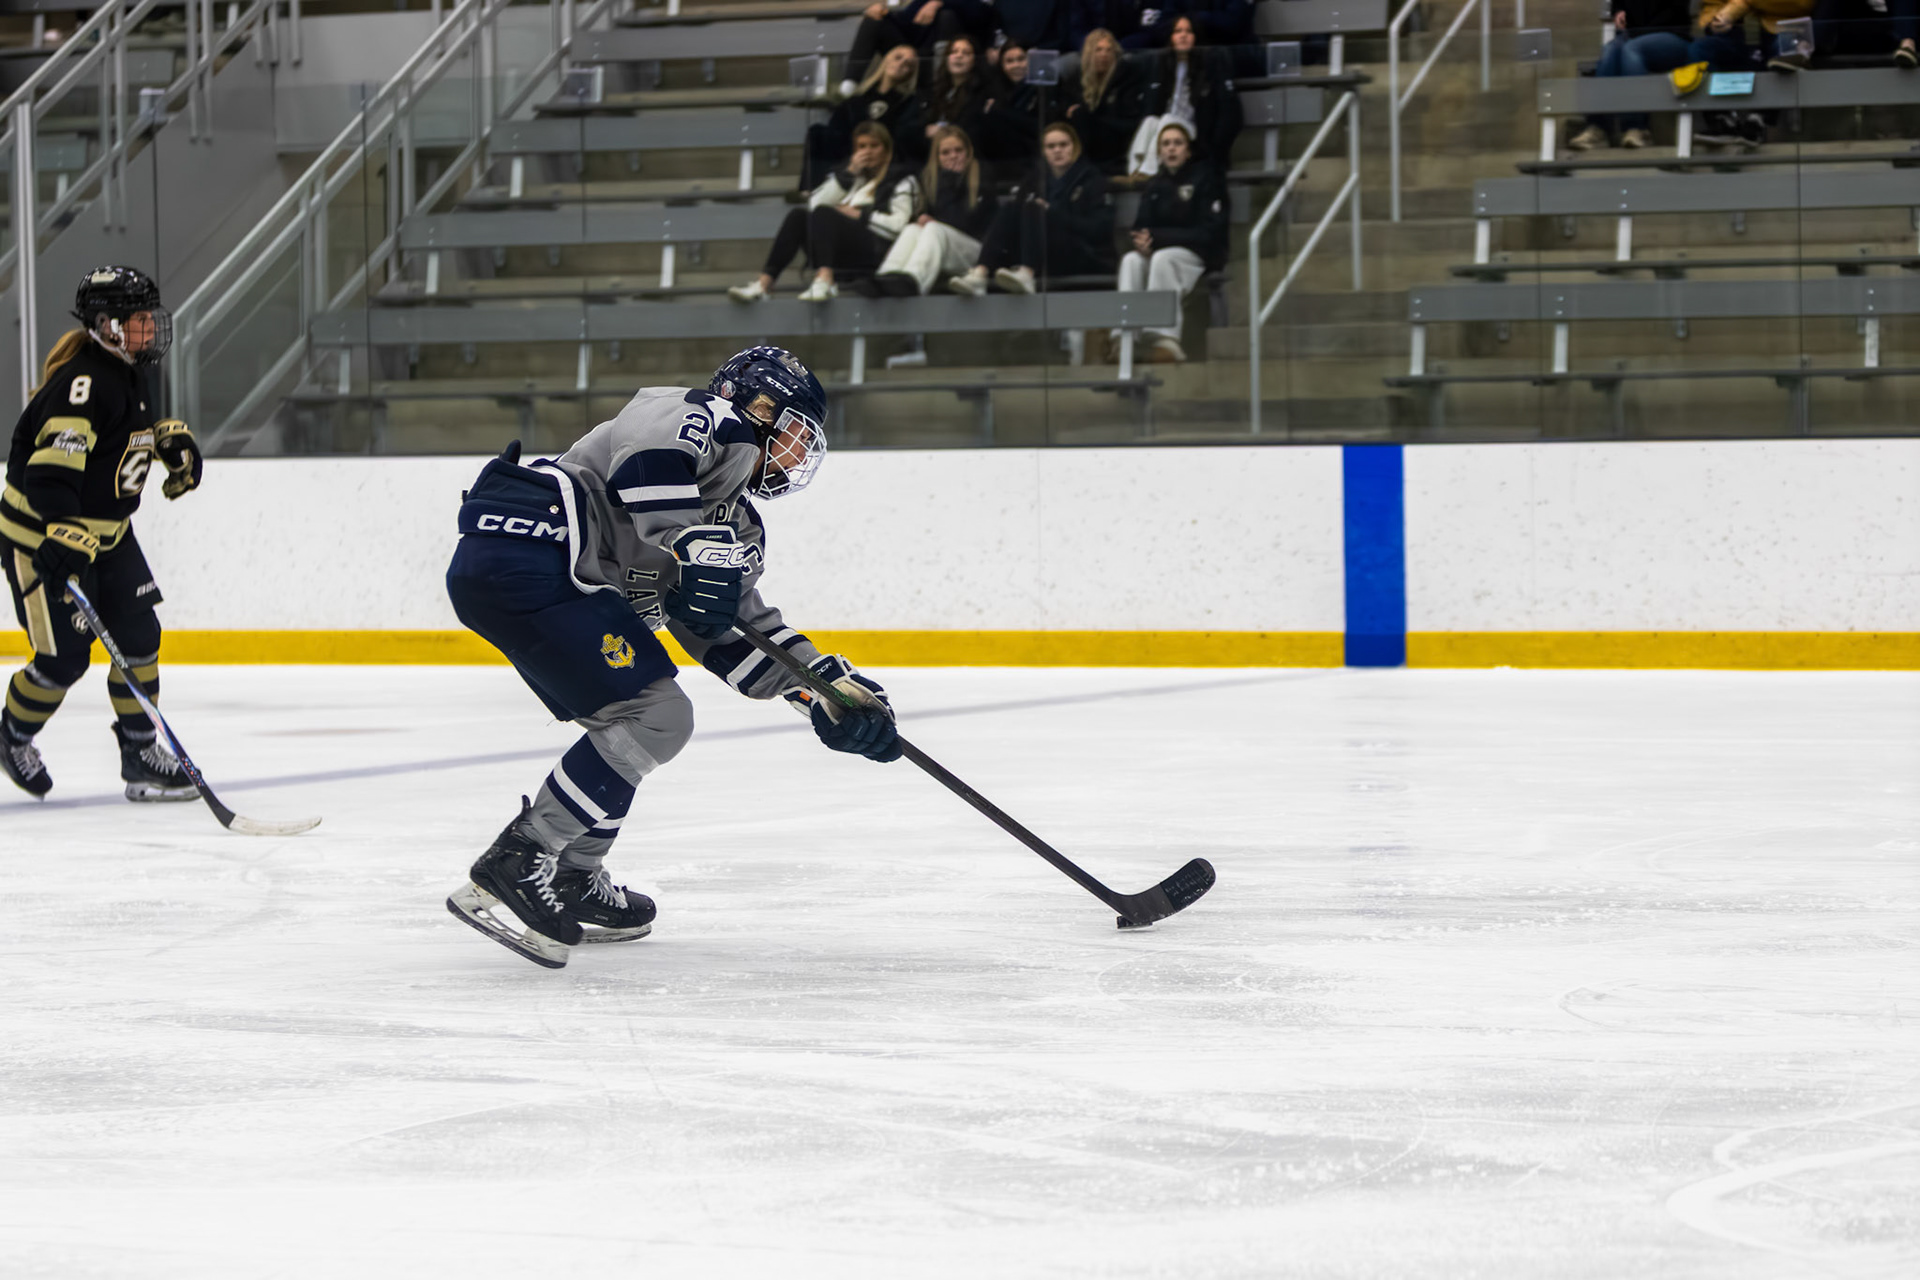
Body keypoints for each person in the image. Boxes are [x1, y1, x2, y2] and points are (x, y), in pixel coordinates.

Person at [443, 347, 902, 970]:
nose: (798, 457)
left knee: (632, 721)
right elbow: (649, 457)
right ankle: (522, 857)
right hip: (532, 545)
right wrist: (689, 542)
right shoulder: (703, 416)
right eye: (798, 434)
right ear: (760, 406)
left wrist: (824, 691)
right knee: (659, 718)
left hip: (549, 579)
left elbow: (732, 633)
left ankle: (573, 874)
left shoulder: (735, 523)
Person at [1, 266, 203, 801]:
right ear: (108, 325)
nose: (150, 328)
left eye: (148, 317)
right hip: (42, 539)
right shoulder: (82, 384)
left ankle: (140, 755)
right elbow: (51, 471)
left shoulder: (127, 370)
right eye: (139, 319)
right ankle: (12, 736)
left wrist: (162, 441)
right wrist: (61, 533)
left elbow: (114, 438)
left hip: (108, 537)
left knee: (139, 638)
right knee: (63, 659)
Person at [728, 122, 919, 303]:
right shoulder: (850, 176)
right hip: (841, 248)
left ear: (886, 150)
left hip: (876, 250)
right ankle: (765, 284)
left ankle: (825, 279)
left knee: (825, 213)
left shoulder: (902, 179)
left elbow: (899, 226)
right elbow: (814, 205)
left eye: (874, 146)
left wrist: (861, 215)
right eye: (862, 146)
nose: (867, 152)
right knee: (798, 216)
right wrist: (848, 174)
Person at [950, 121, 1115, 295]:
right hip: (1043, 254)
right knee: (1011, 207)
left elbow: (1100, 229)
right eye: (1051, 146)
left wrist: (1052, 213)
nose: (1057, 150)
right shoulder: (1034, 179)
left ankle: (1027, 273)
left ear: (1075, 147)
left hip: (1082, 253)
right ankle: (980, 273)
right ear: (1044, 151)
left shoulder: (1092, 180)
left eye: (1063, 145)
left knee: (1034, 209)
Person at [1111, 121, 1224, 363]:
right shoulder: (1155, 184)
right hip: (1158, 251)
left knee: (1163, 258)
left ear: (1188, 151)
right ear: (1159, 152)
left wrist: (1158, 238)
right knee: (1131, 260)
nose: (1171, 148)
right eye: (1166, 144)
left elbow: (1209, 232)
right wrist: (1141, 242)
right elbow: (1140, 226)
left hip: (1195, 254)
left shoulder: (1205, 177)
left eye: (1177, 143)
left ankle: (1165, 340)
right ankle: (1125, 338)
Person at [871, 126, 997, 296]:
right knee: (912, 229)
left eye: (959, 150)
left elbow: (965, 222)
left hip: (976, 254)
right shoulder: (931, 179)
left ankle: (914, 281)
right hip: (943, 247)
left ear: (968, 152)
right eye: (945, 153)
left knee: (933, 228)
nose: (953, 156)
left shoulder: (982, 174)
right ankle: (886, 276)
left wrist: (951, 180)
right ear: (937, 158)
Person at [1568, 0, 1694, 150]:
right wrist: (1618, 11)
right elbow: (1619, 3)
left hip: (1673, 37)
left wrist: (1636, 31)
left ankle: (1637, 128)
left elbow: (1674, 12)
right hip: (1634, 36)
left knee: (1631, 49)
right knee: (1610, 51)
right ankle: (1598, 128)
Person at [1126, 15, 1241, 175]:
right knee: (1150, 120)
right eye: (1178, 31)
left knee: (1166, 119)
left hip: (1192, 129)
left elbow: (1228, 112)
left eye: (1188, 31)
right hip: (1166, 127)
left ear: (1196, 36)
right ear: (1171, 37)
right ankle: (1134, 170)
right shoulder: (1163, 64)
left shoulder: (1208, 64)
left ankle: (1148, 172)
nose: (1183, 35)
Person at [806, 43, 921, 190]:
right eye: (898, 58)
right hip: (850, 158)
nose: (901, 64)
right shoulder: (858, 99)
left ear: (910, 73)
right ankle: (810, 189)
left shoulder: (909, 102)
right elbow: (836, 129)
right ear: (886, 60)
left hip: (886, 163)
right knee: (816, 132)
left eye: (908, 64)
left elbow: (903, 138)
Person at [1057, 28, 1144, 174]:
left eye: (1108, 50)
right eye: (1098, 50)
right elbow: (1063, 108)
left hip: (1114, 142)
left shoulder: (1126, 79)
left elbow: (1130, 123)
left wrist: (1092, 118)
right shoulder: (1075, 80)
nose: (1104, 55)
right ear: (1089, 54)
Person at [842, 0, 986, 88]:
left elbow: (980, 13)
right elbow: (906, 23)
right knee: (873, 20)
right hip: (916, 56)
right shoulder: (921, 2)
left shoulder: (968, 5)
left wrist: (938, 3)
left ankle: (942, 83)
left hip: (947, 61)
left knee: (947, 15)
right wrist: (883, 12)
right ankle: (849, 85)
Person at [909, 34, 991, 167]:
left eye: (966, 53)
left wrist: (942, 131)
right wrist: (924, 130)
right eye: (954, 52)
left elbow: (974, 129)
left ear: (975, 60)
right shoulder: (932, 90)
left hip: (964, 159)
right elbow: (910, 126)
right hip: (927, 157)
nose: (959, 56)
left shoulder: (982, 93)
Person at [976, 40, 1047, 177]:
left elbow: (1041, 125)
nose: (1016, 65)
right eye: (1009, 61)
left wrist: (1001, 112)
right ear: (1002, 66)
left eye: (1021, 59)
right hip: (1003, 160)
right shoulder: (993, 90)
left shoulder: (1043, 87)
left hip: (1036, 155)